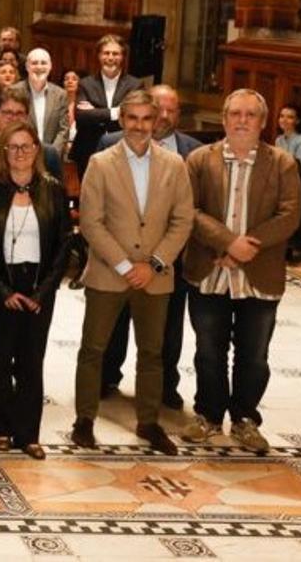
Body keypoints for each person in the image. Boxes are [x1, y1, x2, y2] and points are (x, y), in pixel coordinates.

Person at [71, 89, 194, 456]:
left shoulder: (174, 164)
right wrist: (125, 265)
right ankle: (84, 421)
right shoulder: (100, 163)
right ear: (122, 121)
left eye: (146, 119)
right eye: (133, 118)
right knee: (93, 349)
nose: (140, 126)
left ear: (156, 122)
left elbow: (183, 219)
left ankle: (148, 422)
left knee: (153, 352)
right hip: (110, 272)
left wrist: (154, 264)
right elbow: (91, 222)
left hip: (155, 276)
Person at [180, 89, 301, 453]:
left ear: (263, 122)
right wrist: (226, 243)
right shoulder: (200, 160)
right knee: (208, 351)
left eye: (251, 115)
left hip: (259, 275)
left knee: (254, 354)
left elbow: (289, 214)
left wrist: (245, 247)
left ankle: (246, 420)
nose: (242, 120)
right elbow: (189, 210)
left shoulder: (282, 164)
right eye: (235, 113)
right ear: (224, 118)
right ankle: (209, 416)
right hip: (209, 271)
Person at [95, 84, 202, 408]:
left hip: (168, 262)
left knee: (166, 332)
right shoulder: (109, 145)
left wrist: (159, 260)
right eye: (159, 107)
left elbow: (188, 212)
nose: (164, 116)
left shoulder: (192, 151)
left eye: (171, 109)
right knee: (113, 326)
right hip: (118, 260)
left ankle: (164, 386)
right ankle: (107, 376)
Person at [0, 120, 72, 459]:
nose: (19, 153)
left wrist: (43, 292)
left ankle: (28, 433)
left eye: (26, 146)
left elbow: (63, 245)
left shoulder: (53, 189)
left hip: (38, 287)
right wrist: (2, 290)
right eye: (12, 147)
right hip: (0, 286)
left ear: (36, 151)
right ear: (3, 152)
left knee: (32, 361)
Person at [70, 35, 142, 178]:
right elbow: (81, 116)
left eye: (115, 54)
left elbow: (133, 115)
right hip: (88, 151)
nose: (110, 57)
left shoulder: (135, 85)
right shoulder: (85, 84)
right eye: (106, 53)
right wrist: (116, 113)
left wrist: (95, 112)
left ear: (123, 57)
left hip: (123, 151)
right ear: (99, 56)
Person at [0, 87, 64, 181]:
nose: (14, 118)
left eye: (19, 113)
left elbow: (57, 193)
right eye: (7, 113)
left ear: (27, 117)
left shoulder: (47, 155)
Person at [23, 48, 69, 153]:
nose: (39, 67)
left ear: (50, 66)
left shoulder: (60, 94)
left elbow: (63, 129)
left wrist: (51, 154)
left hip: (51, 159)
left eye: (43, 63)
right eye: (34, 63)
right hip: (22, 156)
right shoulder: (14, 92)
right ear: (27, 67)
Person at [275, 103, 301, 175]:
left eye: (290, 117)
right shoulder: (279, 140)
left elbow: (300, 169)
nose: (284, 120)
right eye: (281, 116)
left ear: (298, 121)